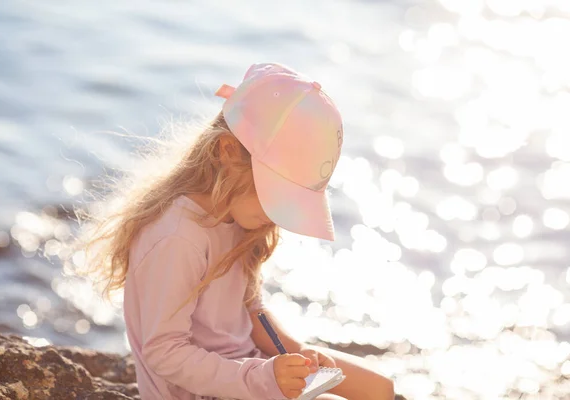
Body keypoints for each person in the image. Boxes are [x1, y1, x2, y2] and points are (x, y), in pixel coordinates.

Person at [78, 63, 395, 400]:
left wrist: (293, 352)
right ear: (228, 152)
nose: (279, 216)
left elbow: (250, 308)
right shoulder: (176, 238)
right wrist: (264, 377)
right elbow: (165, 353)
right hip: (202, 390)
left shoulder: (238, 220)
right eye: (277, 196)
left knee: (380, 388)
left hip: (249, 372)